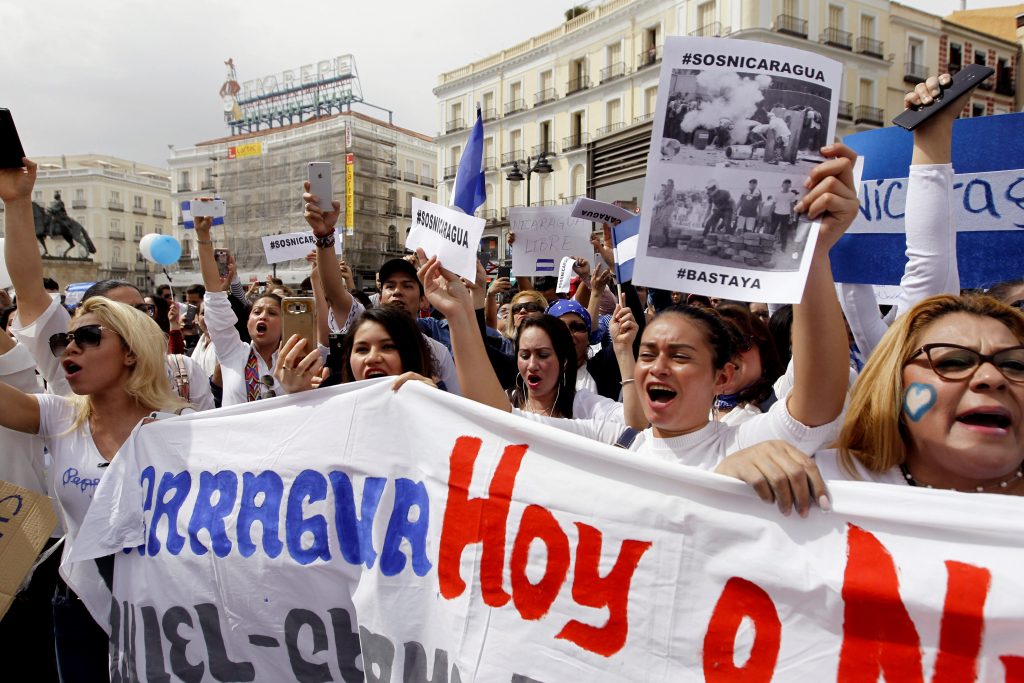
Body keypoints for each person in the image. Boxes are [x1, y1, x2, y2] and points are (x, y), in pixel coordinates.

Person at [428, 143, 858, 472]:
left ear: (722, 376)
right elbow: (498, 420)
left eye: (681, 355)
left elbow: (817, 399)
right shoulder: (616, 444)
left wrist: (814, 253)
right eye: (648, 353)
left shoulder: (744, 444)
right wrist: (461, 315)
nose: (657, 367)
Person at [0, 296, 189, 681]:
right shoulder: (58, 416)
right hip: (80, 603)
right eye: (62, 341)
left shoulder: (183, 426)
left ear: (131, 353)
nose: (69, 347)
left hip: (166, 607)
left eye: (87, 336)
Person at [716, 294, 1024, 515]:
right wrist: (727, 490)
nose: (991, 377)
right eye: (954, 361)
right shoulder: (816, 486)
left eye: (1016, 365)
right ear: (895, 384)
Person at [1, 159, 214, 410]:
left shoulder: (184, 371)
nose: (133, 319)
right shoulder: (69, 397)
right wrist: (17, 201)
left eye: (140, 310)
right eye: (114, 313)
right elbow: (30, 292)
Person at [301, 185, 462, 395]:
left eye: (407, 285)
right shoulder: (362, 323)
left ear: (424, 300)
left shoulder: (437, 352)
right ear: (380, 296)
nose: (397, 292)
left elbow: (456, 402)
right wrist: (324, 235)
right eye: (390, 286)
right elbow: (334, 292)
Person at [194, 207, 312, 405]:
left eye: (272, 313)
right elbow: (215, 298)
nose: (262, 316)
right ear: (248, 321)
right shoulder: (232, 351)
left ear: (285, 322)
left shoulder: (297, 357)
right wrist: (203, 237)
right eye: (256, 312)